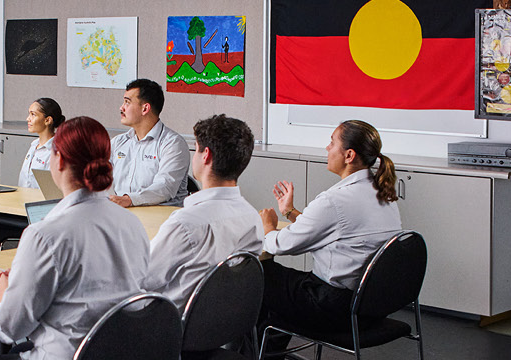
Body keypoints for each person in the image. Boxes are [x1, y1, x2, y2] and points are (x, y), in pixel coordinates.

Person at [0, 116, 150, 360]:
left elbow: (11, 327)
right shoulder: (131, 223)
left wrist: (6, 286)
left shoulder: (43, 235)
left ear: (58, 160)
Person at [256, 120, 403, 355]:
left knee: (256, 272)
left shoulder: (334, 200)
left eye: (332, 142)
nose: (327, 148)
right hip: (369, 307)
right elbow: (333, 230)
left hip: (332, 309)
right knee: (278, 298)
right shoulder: (382, 194)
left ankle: (252, 353)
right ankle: (267, 350)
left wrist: (268, 227)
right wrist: (290, 212)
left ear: (349, 155)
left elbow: (281, 245)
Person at [142, 114, 262, 310]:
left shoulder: (187, 224)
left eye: (195, 150)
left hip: (168, 327)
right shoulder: (252, 217)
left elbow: (141, 278)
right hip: (220, 324)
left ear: (206, 155)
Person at [109, 78, 190, 207]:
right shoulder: (118, 142)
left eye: (127, 102)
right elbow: (97, 174)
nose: (121, 107)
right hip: (125, 214)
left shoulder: (173, 144)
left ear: (145, 108)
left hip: (162, 218)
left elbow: (165, 187)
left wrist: (130, 200)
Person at [16, 98, 63, 189]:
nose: (28, 119)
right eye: (29, 114)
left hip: (40, 201)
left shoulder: (55, 151)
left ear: (48, 120)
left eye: (33, 114)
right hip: (23, 199)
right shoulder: (34, 145)